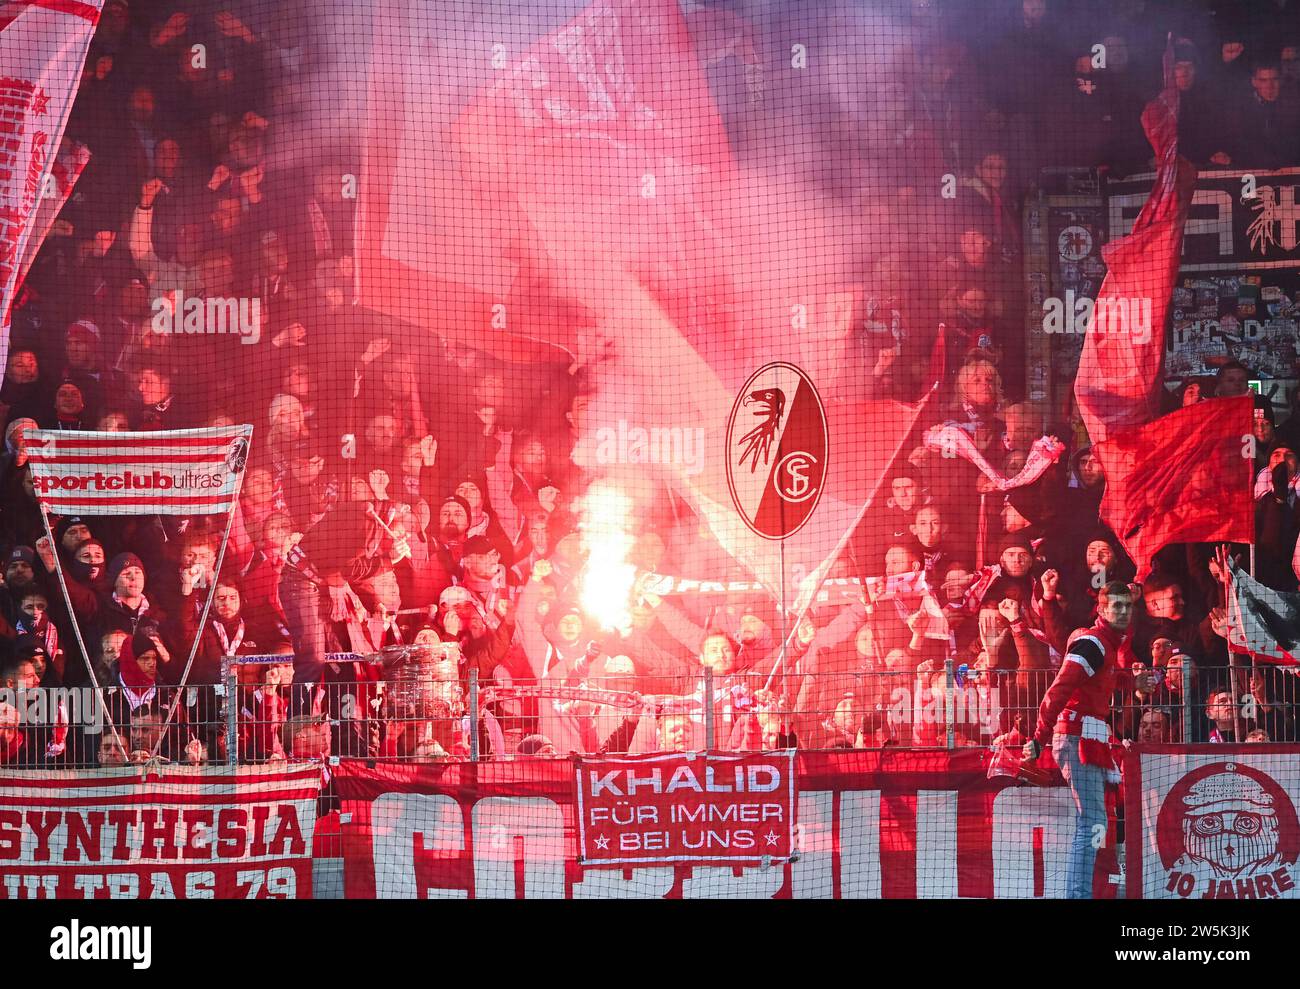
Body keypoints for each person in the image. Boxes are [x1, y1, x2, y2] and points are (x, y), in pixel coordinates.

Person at [1022, 581, 1155, 899]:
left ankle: (1079, 893)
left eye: (1127, 606)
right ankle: (1078, 895)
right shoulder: (1092, 643)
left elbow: (1104, 676)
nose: (1123, 612)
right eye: (1116, 606)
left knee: (1095, 824)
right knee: (1092, 824)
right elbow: (1058, 690)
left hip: (1088, 739)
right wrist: (1038, 738)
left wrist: (1130, 680)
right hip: (1077, 739)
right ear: (1102, 609)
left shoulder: (1104, 647)